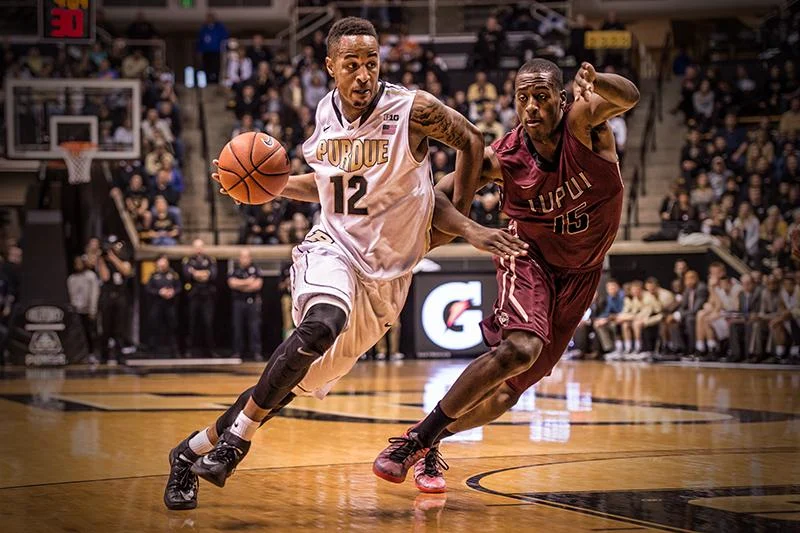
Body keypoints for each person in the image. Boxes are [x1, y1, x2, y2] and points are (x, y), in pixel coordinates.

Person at [163, 17, 525, 511]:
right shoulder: (325, 112)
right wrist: (268, 187)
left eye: (371, 63)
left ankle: (189, 452)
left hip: (387, 280)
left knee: (288, 385)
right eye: (351, 64)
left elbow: (472, 139)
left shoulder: (412, 109)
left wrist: (459, 221)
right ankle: (236, 443)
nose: (363, 74)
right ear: (331, 67)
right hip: (332, 247)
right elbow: (329, 186)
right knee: (322, 323)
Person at [373, 58, 638, 491]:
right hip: (528, 257)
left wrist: (600, 81)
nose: (531, 106)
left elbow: (628, 95)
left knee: (504, 395)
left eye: (541, 97)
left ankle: (428, 437)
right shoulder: (504, 157)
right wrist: (469, 230)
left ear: (562, 99)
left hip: (583, 273)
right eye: (522, 98)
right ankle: (416, 441)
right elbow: (435, 198)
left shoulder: (584, 125)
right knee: (521, 349)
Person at [97, 236, 133, 365]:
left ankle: (119, 355)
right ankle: (104, 356)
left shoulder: (124, 259)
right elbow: (105, 277)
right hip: (107, 297)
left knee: (120, 328)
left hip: (120, 296)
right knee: (106, 328)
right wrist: (101, 259)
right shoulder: (103, 260)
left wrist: (113, 257)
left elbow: (126, 271)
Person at [182, 239, 217, 358]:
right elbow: (187, 274)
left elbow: (212, 275)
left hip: (207, 296)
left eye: (200, 247)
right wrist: (203, 273)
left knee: (208, 323)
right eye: (196, 247)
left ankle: (210, 350)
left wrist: (196, 273)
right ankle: (189, 349)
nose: (198, 249)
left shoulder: (210, 260)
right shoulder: (188, 260)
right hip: (193, 295)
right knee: (191, 324)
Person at [228, 248, 263, 361]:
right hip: (238, 302)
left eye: (246, 257)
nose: (244, 259)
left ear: (250, 258)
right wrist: (248, 282)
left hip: (252, 302)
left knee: (254, 328)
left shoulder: (255, 269)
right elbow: (232, 283)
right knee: (237, 327)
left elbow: (257, 285)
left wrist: (240, 285)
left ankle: (256, 352)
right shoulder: (235, 270)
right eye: (242, 257)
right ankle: (237, 352)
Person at [145, 255, 181, 358]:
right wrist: (159, 292)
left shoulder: (173, 275)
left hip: (170, 305)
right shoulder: (153, 275)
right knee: (155, 327)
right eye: (161, 262)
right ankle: (153, 351)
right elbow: (148, 289)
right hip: (157, 304)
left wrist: (173, 292)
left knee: (172, 327)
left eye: (164, 262)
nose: (163, 264)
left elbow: (179, 287)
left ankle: (174, 351)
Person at [67, 256, 100, 361]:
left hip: (88, 310)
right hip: (77, 310)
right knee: (77, 333)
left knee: (90, 332)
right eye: (76, 263)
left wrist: (92, 310)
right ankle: (78, 355)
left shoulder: (90, 276)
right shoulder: (71, 278)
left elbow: (94, 294)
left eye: (80, 263)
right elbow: (71, 295)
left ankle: (92, 353)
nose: (78, 265)